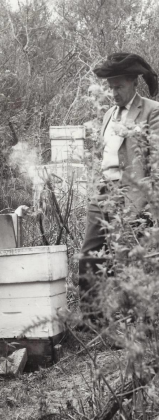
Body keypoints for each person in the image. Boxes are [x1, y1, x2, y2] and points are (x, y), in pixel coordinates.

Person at [79, 53, 159, 316]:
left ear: (133, 83)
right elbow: (104, 154)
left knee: (125, 258)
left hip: (132, 194)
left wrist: (149, 200)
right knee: (90, 255)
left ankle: (129, 323)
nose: (113, 93)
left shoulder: (151, 110)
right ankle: (91, 320)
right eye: (110, 87)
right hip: (103, 191)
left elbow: (155, 156)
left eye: (119, 87)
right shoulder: (109, 115)